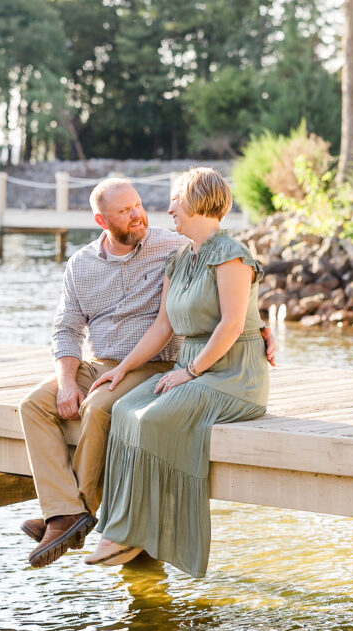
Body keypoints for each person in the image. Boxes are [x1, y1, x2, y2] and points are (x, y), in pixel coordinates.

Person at [18, 177, 274, 569]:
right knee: (33, 405)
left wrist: (262, 329)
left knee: (101, 407)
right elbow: (69, 329)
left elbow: (234, 306)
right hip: (105, 361)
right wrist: (73, 380)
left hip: (166, 365)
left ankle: (85, 516)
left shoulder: (174, 244)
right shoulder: (87, 264)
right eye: (126, 211)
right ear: (102, 221)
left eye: (139, 205)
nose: (142, 214)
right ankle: (63, 512)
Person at [85, 167, 269, 578]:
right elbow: (162, 326)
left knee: (154, 418)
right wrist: (123, 370)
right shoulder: (180, 258)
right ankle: (120, 528)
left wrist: (190, 371)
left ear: (196, 203)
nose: (168, 209)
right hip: (193, 366)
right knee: (125, 409)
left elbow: (232, 325)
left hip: (233, 375)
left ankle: (138, 531)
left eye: (175, 200)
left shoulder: (231, 254)